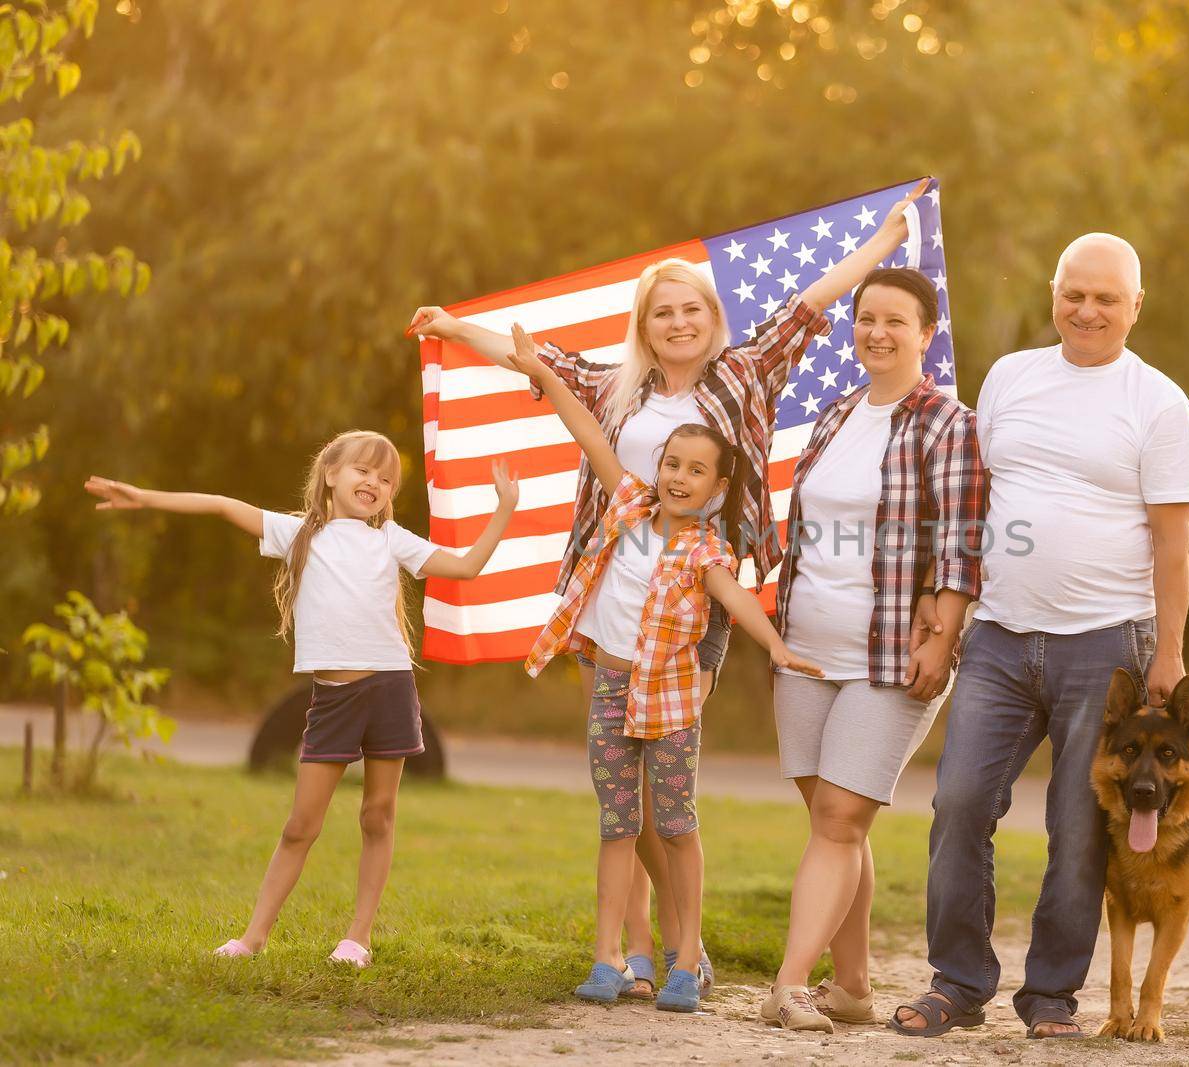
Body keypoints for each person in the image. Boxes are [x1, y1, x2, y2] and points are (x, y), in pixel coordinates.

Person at [405, 179, 930, 997]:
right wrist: (449, 325)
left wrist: (883, 243)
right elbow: (532, 361)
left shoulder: (746, 373)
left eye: (691, 309)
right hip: (608, 591)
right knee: (622, 779)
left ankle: (689, 949)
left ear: (711, 319)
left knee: (665, 775)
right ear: (645, 327)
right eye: (662, 313)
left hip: (697, 596)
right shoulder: (619, 388)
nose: (678, 322)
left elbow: (809, 300)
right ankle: (642, 948)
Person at [891, 233, 1189, 1039]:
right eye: (1075, 293)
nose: (1087, 309)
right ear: (1053, 293)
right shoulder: (1010, 378)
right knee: (959, 800)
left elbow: (1174, 543)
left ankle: (1052, 996)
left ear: (1136, 305)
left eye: (1106, 297)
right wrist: (944, 605)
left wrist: (1168, 652)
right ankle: (957, 982)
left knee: (1076, 826)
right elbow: (977, 502)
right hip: (998, 638)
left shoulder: (1160, 405)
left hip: (1107, 648)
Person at [84, 431, 519, 968]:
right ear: (331, 473)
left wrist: (505, 510)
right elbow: (222, 506)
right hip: (333, 699)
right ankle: (252, 938)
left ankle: (357, 939)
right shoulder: (298, 535)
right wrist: (146, 498)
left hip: (389, 687)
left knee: (377, 816)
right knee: (299, 826)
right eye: (364, 470)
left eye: (386, 480)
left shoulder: (392, 540)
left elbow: (466, 566)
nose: (375, 484)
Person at [509, 323, 824, 1013]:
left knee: (676, 824)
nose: (679, 477)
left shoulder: (706, 551)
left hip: (673, 701)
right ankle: (610, 956)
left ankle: (686, 962)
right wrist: (542, 369)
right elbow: (587, 429)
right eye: (671, 463)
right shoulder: (628, 505)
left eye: (694, 470)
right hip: (613, 687)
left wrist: (774, 645)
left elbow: (738, 599)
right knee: (616, 822)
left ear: (716, 487)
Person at [758, 267, 984, 1033]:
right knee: (833, 819)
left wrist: (944, 632)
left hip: (892, 653)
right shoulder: (833, 415)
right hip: (805, 647)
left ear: (927, 334)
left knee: (839, 813)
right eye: (866, 319)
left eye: (896, 321)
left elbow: (961, 543)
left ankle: (790, 984)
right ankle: (851, 985)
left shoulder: (947, 422)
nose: (877, 333)